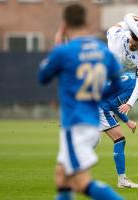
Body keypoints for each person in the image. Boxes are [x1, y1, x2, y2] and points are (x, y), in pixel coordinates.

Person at [38, 4, 124, 200]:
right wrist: (98, 97)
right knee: (62, 177)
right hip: (91, 121)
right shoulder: (103, 50)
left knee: (81, 182)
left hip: (75, 124)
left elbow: (42, 77)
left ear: (65, 24)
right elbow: (118, 84)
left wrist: (57, 46)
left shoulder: (64, 52)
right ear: (87, 22)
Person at [106, 13, 138, 115]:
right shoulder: (126, 36)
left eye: (135, 45)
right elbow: (127, 16)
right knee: (131, 17)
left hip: (126, 61)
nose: (131, 45)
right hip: (115, 36)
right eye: (131, 42)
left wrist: (129, 104)